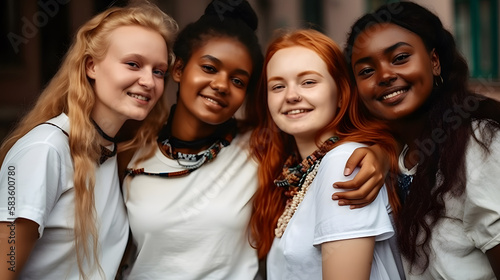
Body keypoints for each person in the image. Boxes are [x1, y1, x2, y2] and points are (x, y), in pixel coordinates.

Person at [121, 0, 390, 278]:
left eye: (238, 80)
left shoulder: (260, 145)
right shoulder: (130, 156)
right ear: (178, 69)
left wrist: (381, 152)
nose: (221, 85)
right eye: (209, 68)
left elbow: (337, 144)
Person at [0, 2, 178, 279]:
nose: (149, 81)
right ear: (91, 66)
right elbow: (5, 262)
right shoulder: (46, 148)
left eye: (159, 71)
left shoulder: (112, 151)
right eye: (133, 64)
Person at [345, 1, 500, 279]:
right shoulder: (398, 155)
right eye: (366, 71)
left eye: (400, 57)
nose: (384, 75)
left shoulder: (479, 144)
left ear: (434, 62)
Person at [249, 29, 403, 279]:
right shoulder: (294, 172)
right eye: (277, 86)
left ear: (341, 93)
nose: (291, 96)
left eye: (308, 82)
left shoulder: (343, 162)